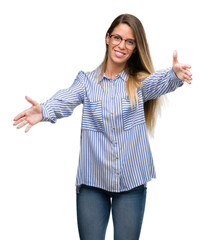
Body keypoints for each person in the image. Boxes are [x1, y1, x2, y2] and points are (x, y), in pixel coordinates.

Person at [13, 14, 192, 240]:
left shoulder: (138, 83)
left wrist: (174, 75)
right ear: (107, 38)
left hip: (131, 182)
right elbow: (67, 98)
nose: (122, 45)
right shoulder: (86, 82)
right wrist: (45, 110)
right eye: (117, 37)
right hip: (93, 183)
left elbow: (157, 82)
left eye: (130, 41)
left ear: (135, 48)